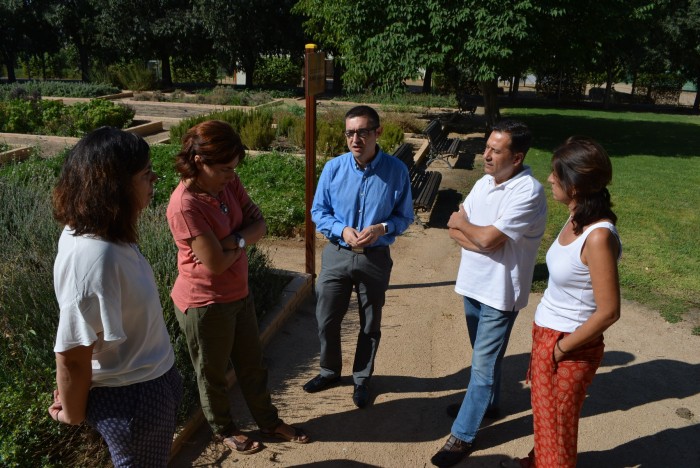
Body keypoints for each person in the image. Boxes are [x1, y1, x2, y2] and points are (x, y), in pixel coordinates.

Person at [166, 120, 309, 455]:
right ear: (200, 161)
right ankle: (225, 428)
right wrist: (241, 242)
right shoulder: (185, 204)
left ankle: (268, 420)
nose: (233, 176)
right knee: (212, 373)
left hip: (238, 292)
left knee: (252, 363)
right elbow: (212, 266)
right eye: (226, 169)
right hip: (204, 303)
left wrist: (234, 241)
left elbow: (259, 224)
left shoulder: (228, 183)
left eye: (235, 168)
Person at [48, 127, 182, 467]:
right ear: (113, 186)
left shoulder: (106, 230)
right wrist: (72, 412)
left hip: (147, 383)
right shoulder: (93, 258)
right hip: (133, 398)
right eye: (145, 174)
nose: (154, 180)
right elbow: (73, 355)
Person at [431, 119, 548, 467]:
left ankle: (462, 435)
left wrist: (468, 229)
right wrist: (476, 235)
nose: (486, 155)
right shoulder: (483, 183)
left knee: (481, 367)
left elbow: (475, 234)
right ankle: (491, 404)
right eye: (487, 147)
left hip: (500, 293)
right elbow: (457, 230)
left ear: (517, 157)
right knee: (486, 360)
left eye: (495, 151)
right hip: (472, 284)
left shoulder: (528, 192)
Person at [501, 136, 621, 468]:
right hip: (548, 336)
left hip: (568, 346)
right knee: (547, 421)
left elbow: (609, 310)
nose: (550, 179)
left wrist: (561, 350)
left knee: (557, 430)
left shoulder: (598, 237)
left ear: (577, 185)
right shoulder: (575, 218)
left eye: (556, 174)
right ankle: (539, 460)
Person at [303, 105, 414, 408]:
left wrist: (382, 227)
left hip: (375, 258)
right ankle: (329, 371)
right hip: (338, 253)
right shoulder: (334, 168)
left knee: (369, 323)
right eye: (350, 132)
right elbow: (318, 212)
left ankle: (362, 378)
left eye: (363, 132)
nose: (355, 139)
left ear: (377, 132)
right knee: (326, 318)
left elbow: (405, 216)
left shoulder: (396, 171)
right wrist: (341, 229)